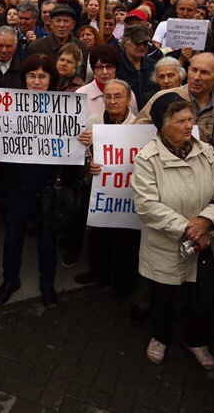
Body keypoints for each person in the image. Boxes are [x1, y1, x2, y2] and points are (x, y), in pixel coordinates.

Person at [132, 92, 214, 370]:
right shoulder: (147, 159)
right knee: (161, 297)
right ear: (162, 125)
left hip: (203, 242)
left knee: (198, 299)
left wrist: (206, 224)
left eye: (191, 119)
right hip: (165, 244)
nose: (189, 126)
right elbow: (148, 206)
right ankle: (160, 337)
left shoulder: (207, 152)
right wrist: (191, 229)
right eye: (181, 121)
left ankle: (196, 340)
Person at [0, 54, 66, 308]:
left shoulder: (63, 108)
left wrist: (82, 141)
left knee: (47, 240)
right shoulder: (9, 106)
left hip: (45, 187)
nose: (36, 81)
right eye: (31, 76)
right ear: (24, 79)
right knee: (12, 238)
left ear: (51, 79)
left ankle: (47, 284)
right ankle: (10, 280)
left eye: (42, 76)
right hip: (15, 185)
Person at [73, 79, 141, 293]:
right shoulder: (93, 121)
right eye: (107, 96)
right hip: (99, 189)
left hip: (127, 193)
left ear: (129, 99)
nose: (112, 101)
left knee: (126, 238)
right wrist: (88, 163)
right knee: (98, 232)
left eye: (118, 96)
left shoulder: (139, 126)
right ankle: (98, 272)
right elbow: (79, 153)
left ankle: (122, 280)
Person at [139, 52, 214, 148]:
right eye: (194, 70)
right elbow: (137, 132)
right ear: (188, 70)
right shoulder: (163, 98)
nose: (196, 77)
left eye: (204, 72)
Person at [25, 4, 88, 68]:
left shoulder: (81, 47)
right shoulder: (36, 47)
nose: (61, 25)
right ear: (51, 23)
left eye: (66, 21)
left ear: (73, 25)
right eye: (58, 21)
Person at [118, 25, 159, 108]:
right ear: (125, 43)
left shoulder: (152, 65)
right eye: (137, 43)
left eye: (145, 43)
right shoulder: (116, 65)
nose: (142, 47)